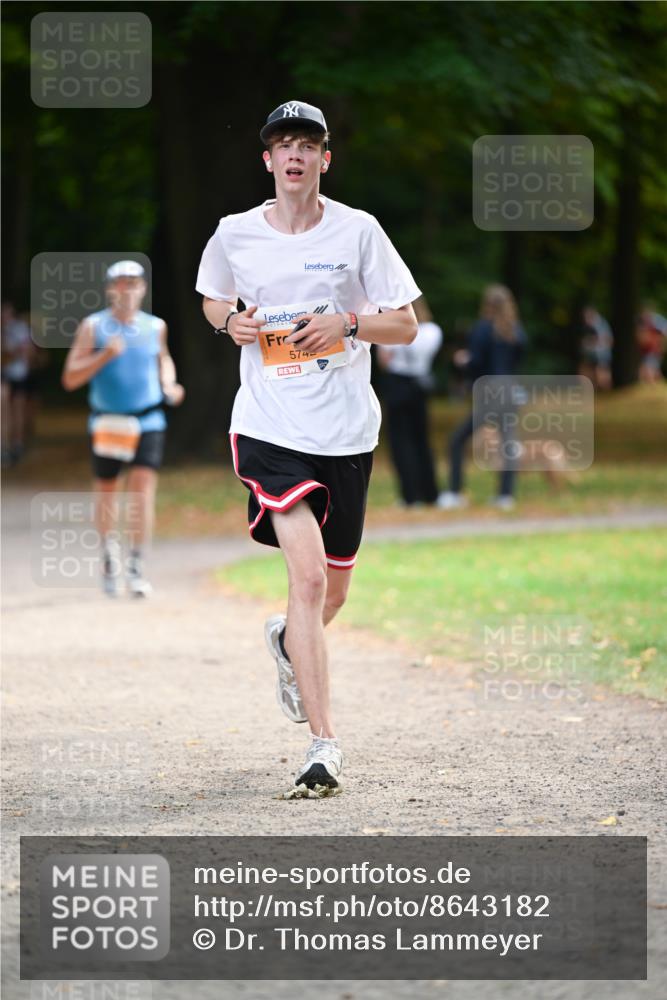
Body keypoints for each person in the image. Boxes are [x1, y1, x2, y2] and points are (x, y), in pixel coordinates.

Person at [196, 100, 420, 790]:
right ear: (266, 160)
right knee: (310, 576)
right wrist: (229, 322)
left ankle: (288, 640)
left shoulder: (360, 231)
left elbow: (405, 325)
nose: (294, 154)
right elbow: (211, 296)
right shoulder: (235, 233)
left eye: (307, 144)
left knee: (334, 592)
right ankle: (324, 746)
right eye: (282, 144)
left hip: (347, 429)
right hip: (268, 425)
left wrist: (347, 324)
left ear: (325, 159)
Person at [62, 261, 185, 597]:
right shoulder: (93, 327)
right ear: (109, 289)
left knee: (142, 491)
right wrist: (103, 356)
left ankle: (136, 562)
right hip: (109, 422)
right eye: (121, 284)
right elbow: (70, 378)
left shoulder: (155, 326)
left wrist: (169, 383)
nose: (127, 290)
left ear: (143, 289)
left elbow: (163, 359)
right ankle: (108, 552)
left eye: (134, 284)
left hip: (148, 420)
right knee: (107, 491)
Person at [438, 284, 526, 512]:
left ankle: (455, 492)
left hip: (490, 391)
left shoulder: (482, 329)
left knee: (457, 440)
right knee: (508, 443)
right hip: (510, 390)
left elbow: (476, 362)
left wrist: (462, 361)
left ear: (487, 305)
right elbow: (518, 359)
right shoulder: (515, 330)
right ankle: (506, 495)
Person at [376, 296, 442, 506]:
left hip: (397, 384)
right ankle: (431, 493)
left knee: (400, 442)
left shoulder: (392, 328)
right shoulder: (432, 331)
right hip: (419, 385)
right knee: (421, 439)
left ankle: (410, 495)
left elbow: (384, 361)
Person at [1, 301, 32, 466]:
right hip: (4, 375)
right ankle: (5, 447)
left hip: (19, 374)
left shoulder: (19, 328)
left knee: (17, 411)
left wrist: (11, 353)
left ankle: (17, 443)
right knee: (4, 413)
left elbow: (25, 351)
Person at [580, 306, 613, 390]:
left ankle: (605, 391)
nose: (586, 319)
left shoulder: (600, 324)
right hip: (592, 353)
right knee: (588, 372)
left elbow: (608, 340)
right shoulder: (592, 325)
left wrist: (591, 343)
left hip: (601, 353)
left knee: (601, 374)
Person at [637, 304, 667, 384]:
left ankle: (653, 387)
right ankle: (657, 386)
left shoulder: (657, 321)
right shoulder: (643, 323)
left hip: (653, 351)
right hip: (649, 351)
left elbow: (664, 333)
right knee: (652, 370)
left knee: (648, 370)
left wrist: (661, 345)